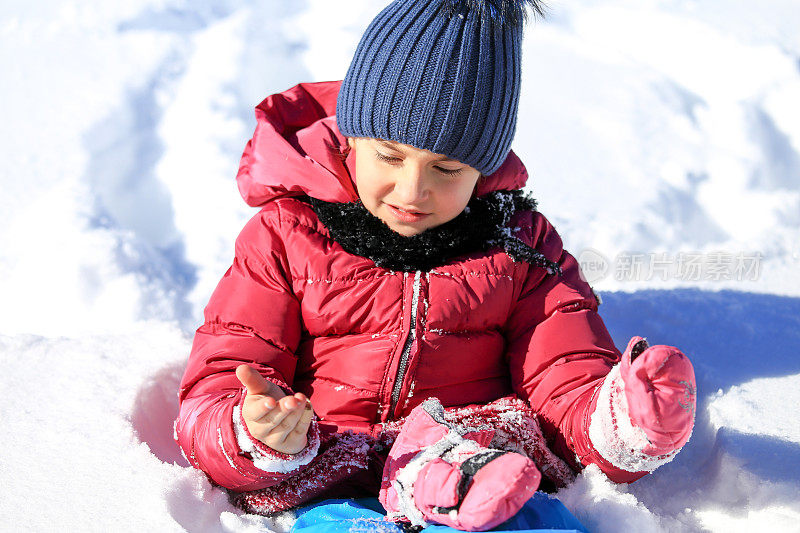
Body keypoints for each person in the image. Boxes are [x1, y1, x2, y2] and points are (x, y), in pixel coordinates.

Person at [175, 0, 697, 530]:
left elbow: (563, 374)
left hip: (473, 467)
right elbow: (225, 370)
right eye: (390, 156)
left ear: (484, 169)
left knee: (536, 520)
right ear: (352, 137)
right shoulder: (286, 236)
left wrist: (622, 423)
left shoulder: (518, 248)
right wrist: (252, 428)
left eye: (446, 168)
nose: (412, 190)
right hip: (335, 468)